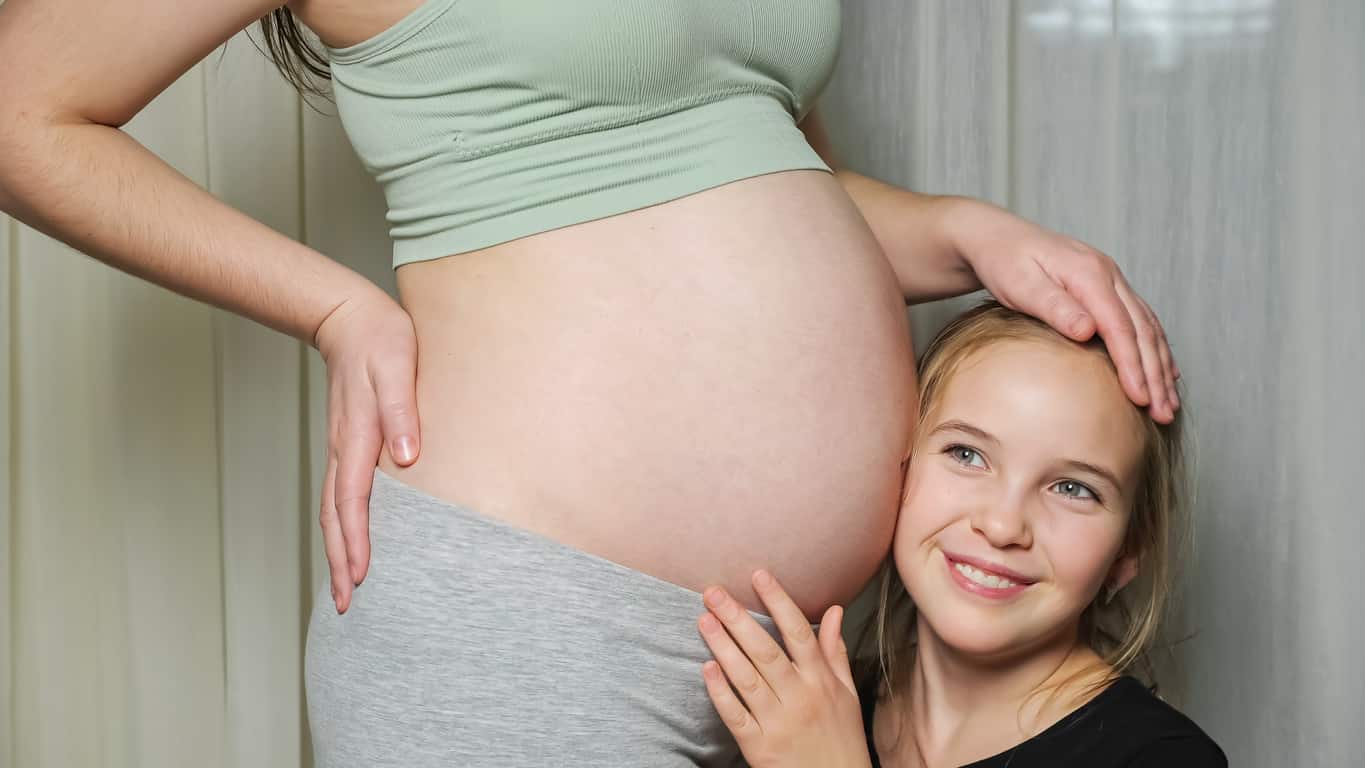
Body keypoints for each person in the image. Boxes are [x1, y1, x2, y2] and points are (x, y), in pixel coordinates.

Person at [0, 2, 1180, 765]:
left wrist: (965, 233)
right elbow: (22, 106)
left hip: (792, 658)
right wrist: (332, 306)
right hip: (521, 619)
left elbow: (761, 179)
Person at [695, 301, 1223, 767]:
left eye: (1072, 488)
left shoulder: (1164, 758)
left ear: (1128, 551)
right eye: (966, 455)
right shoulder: (806, 714)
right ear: (895, 469)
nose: (1001, 526)